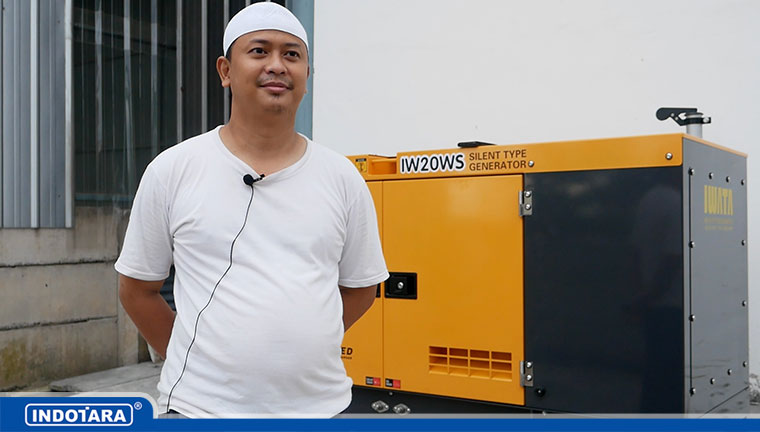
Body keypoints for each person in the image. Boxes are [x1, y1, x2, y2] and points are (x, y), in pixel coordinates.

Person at [115, 2, 388, 418]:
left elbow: (361, 288)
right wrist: (199, 362)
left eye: (291, 54)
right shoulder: (173, 170)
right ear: (225, 71)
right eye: (259, 51)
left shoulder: (342, 177)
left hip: (321, 409)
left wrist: (303, 345)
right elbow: (137, 289)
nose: (276, 65)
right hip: (199, 411)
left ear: (307, 76)